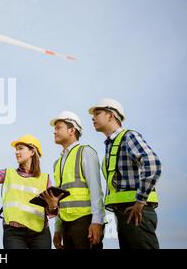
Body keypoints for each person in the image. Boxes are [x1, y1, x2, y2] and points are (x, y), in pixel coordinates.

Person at [89, 98, 162, 249]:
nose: (93, 117)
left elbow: (152, 164)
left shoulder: (129, 136)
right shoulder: (111, 145)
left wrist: (140, 201)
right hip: (123, 213)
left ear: (111, 115)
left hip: (137, 213)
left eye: (98, 113)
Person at [49, 111, 105, 249]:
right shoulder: (58, 162)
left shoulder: (85, 152)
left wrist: (97, 222)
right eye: (54, 129)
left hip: (85, 221)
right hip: (67, 225)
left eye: (58, 128)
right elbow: (59, 197)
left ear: (72, 130)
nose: (54, 132)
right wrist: (58, 227)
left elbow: (96, 190)